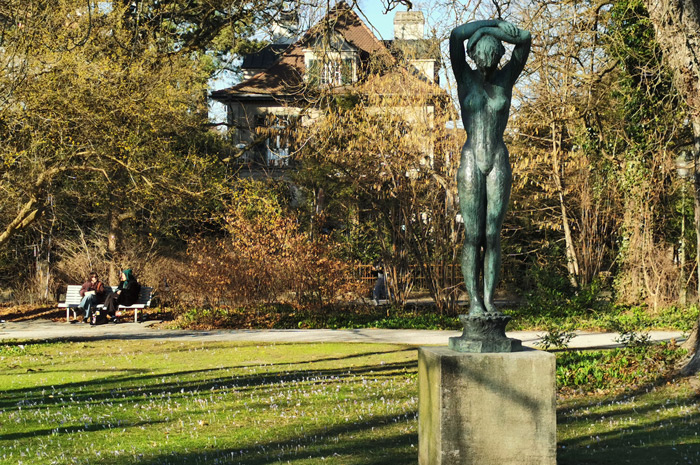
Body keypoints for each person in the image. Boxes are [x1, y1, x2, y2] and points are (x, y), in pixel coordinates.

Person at [449, 19, 531, 316]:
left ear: (497, 58)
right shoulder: (464, 78)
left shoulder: (505, 78)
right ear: (473, 57)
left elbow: (525, 38)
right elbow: (456, 36)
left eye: (491, 62)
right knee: (473, 235)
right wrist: (489, 24)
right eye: (481, 62)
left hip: (497, 159)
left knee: (493, 234)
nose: (486, 69)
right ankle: (473, 303)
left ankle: (488, 301)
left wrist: (497, 32)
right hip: (471, 159)